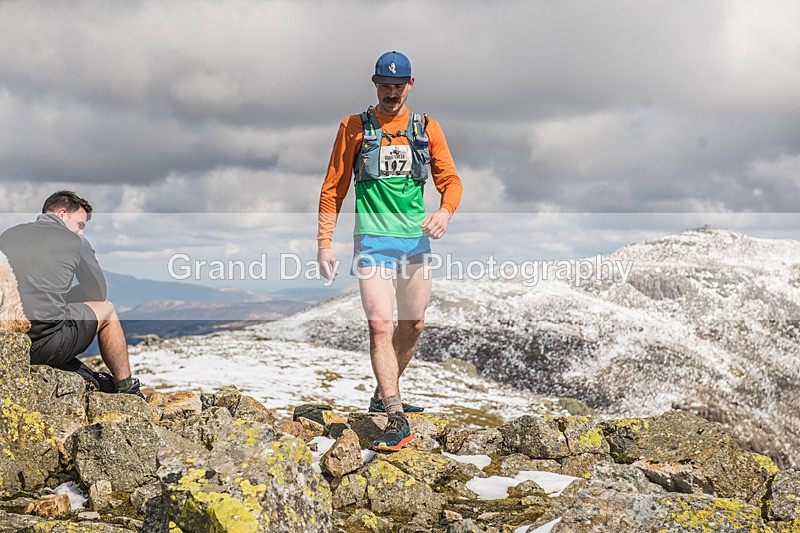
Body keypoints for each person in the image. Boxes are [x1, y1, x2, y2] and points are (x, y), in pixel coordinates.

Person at [317, 51, 463, 451]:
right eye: (384, 85)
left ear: (410, 85)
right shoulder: (353, 128)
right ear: (375, 84)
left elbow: (450, 180)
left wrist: (445, 212)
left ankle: (383, 392)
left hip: (415, 244)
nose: (391, 93)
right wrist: (324, 243)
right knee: (380, 325)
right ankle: (394, 416)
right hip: (372, 242)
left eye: (398, 86)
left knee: (413, 325)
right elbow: (333, 187)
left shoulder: (427, 128)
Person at [0, 191, 143, 397]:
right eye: (80, 224)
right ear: (62, 213)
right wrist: (67, 294)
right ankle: (128, 389)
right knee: (108, 311)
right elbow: (98, 292)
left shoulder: (8, 234)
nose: (81, 232)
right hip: (44, 343)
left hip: (9, 343)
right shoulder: (77, 242)